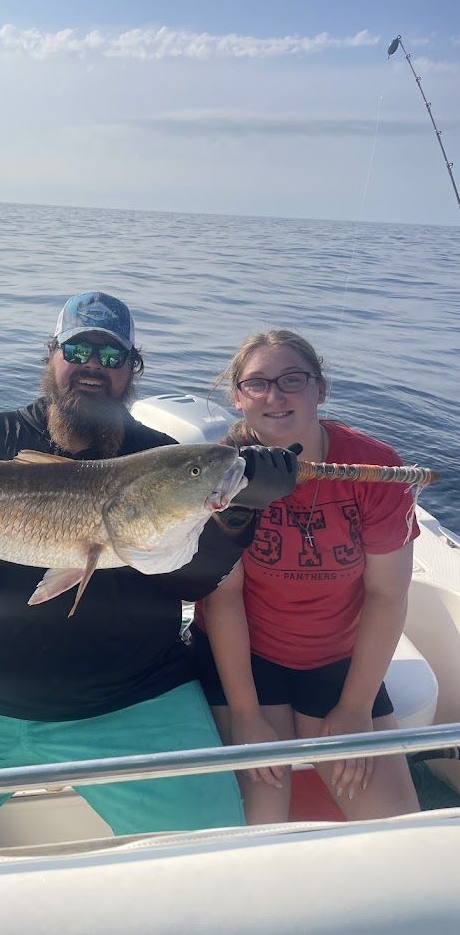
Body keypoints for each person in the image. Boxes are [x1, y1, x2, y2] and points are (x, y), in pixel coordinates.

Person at [0, 292, 299, 861]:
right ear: (51, 355)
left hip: (134, 699)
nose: (93, 367)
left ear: (133, 369)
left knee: (209, 853)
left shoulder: (161, 459)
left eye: (112, 357)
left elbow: (189, 581)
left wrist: (235, 512)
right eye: (78, 349)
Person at [192, 329, 420, 824]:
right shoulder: (219, 473)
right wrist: (248, 716)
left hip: (337, 658)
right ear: (238, 397)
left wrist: (357, 708)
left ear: (321, 388)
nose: (275, 395)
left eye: (292, 379)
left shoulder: (376, 469)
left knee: (397, 829)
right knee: (259, 823)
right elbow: (224, 599)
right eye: (257, 383)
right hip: (247, 658)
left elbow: (386, 594)